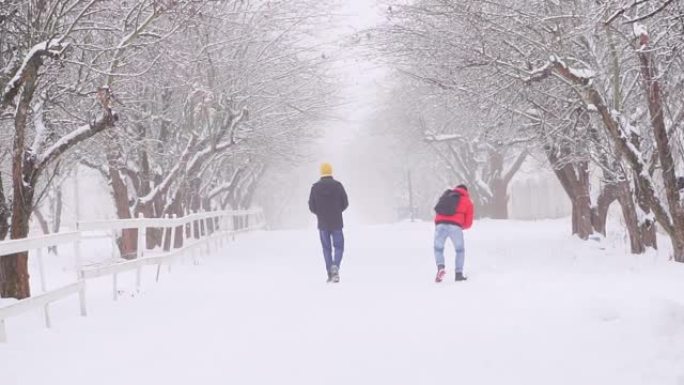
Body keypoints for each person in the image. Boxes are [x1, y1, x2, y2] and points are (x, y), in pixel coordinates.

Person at [308, 162, 349, 283]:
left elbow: (311, 206)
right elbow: (345, 203)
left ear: (321, 172)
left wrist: (320, 213)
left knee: (326, 248)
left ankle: (330, 273)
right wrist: (337, 211)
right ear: (331, 172)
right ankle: (335, 266)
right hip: (336, 222)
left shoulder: (315, 187)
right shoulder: (338, 186)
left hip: (323, 224)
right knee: (339, 246)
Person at [433, 184, 474, 282]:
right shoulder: (467, 201)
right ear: (466, 191)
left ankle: (440, 268)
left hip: (440, 224)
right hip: (455, 226)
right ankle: (458, 274)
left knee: (438, 249)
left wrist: (440, 224)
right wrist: (459, 226)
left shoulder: (446, 196)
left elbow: (438, 213)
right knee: (459, 250)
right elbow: (468, 223)